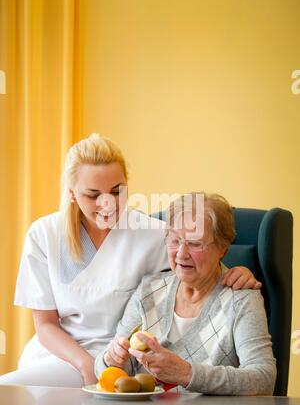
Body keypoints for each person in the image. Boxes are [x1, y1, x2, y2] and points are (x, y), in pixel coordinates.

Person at [0, 135, 261, 388]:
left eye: (117, 191)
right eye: (93, 195)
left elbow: (196, 261)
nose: (108, 204)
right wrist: (87, 367)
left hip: (120, 360)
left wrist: (237, 272)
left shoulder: (152, 233)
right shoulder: (44, 235)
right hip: (60, 357)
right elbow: (45, 326)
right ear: (71, 194)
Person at [95, 192, 276, 395]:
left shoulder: (241, 299)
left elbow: (264, 379)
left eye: (195, 243)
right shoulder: (149, 290)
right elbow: (107, 369)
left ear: (223, 248)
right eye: (175, 240)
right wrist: (110, 360)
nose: (181, 253)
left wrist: (188, 374)